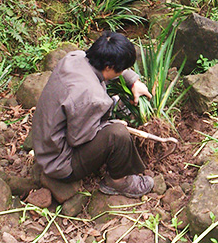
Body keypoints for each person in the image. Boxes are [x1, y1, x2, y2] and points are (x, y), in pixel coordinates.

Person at [30, 31, 154, 197]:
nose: (122, 71)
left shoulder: (75, 57)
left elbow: (107, 67)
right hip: (59, 164)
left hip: (44, 143)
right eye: (122, 68)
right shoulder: (92, 97)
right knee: (118, 134)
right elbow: (78, 139)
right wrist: (109, 125)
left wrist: (133, 81)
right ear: (109, 67)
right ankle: (118, 182)